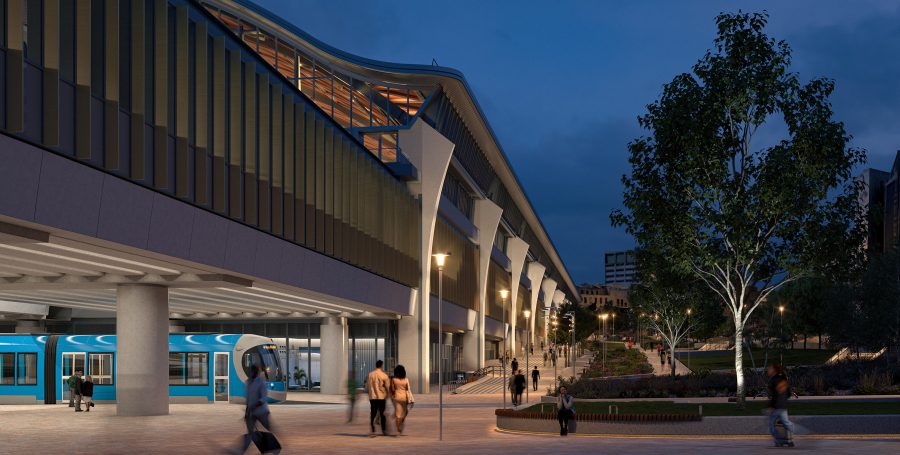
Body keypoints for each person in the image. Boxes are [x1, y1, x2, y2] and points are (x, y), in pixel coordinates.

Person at [235, 364, 277, 454]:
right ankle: (241, 451)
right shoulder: (248, 383)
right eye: (252, 370)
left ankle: (274, 448)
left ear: (257, 372)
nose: (252, 372)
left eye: (254, 370)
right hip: (251, 413)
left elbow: (262, 399)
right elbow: (248, 399)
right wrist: (247, 412)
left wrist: (254, 406)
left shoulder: (261, 382)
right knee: (250, 433)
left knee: (269, 428)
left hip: (262, 412)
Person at [767, 364, 795, 447]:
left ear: (774, 371)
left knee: (771, 425)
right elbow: (789, 394)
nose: (768, 370)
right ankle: (789, 440)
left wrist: (770, 406)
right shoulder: (783, 379)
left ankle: (780, 440)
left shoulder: (773, 380)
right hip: (783, 406)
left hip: (777, 407)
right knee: (786, 423)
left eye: (770, 369)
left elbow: (774, 396)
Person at [365, 360, 390, 437]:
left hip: (372, 397)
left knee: (373, 413)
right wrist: (388, 395)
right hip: (381, 397)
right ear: (381, 365)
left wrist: (369, 392)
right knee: (382, 414)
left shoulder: (370, 374)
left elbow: (367, 386)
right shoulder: (384, 375)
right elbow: (387, 387)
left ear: (376, 365)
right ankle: (384, 430)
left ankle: (373, 430)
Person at [390, 365, 414, 435]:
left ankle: (398, 429)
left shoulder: (393, 379)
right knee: (405, 412)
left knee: (397, 414)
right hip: (404, 398)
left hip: (396, 398)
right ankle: (401, 422)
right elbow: (408, 389)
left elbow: (393, 389)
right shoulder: (406, 379)